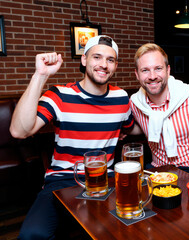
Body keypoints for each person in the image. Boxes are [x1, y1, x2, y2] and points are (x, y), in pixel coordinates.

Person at [10, 35, 134, 239]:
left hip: (106, 181)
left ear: (115, 66)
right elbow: (19, 131)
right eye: (97, 57)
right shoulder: (59, 95)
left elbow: (131, 127)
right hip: (62, 180)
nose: (103, 65)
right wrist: (40, 75)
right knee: (32, 235)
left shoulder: (121, 97)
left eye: (110, 60)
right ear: (84, 60)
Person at [129, 43, 189, 181]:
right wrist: (120, 130)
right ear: (137, 74)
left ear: (168, 71)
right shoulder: (135, 103)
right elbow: (140, 127)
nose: (152, 76)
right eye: (145, 70)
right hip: (158, 169)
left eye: (158, 68)